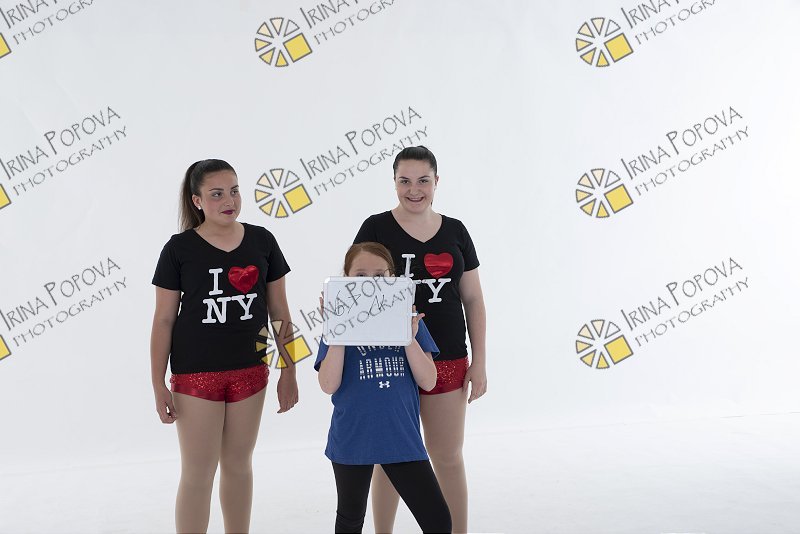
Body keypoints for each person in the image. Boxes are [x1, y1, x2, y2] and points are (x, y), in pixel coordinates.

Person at [150, 159, 299, 533]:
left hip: (251, 370)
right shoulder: (179, 249)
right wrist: (157, 383)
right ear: (197, 200)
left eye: (234, 191)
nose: (229, 201)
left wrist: (289, 370)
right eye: (216, 194)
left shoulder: (263, 241)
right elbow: (163, 320)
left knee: (239, 465)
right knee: (198, 472)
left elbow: (280, 312)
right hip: (196, 375)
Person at [353, 146, 487, 533]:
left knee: (447, 456)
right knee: (390, 458)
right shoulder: (375, 228)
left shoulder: (456, 231)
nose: (414, 190)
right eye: (405, 181)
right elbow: (355, 288)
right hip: (392, 359)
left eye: (423, 180)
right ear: (394, 183)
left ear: (436, 181)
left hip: (448, 357)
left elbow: (473, 299)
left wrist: (479, 361)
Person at [315, 242, 452, 534]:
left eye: (380, 275)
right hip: (352, 437)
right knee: (350, 518)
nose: (371, 283)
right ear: (346, 279)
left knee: (438, 520)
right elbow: (328, 385)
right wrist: (337, 328)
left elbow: (428, 380)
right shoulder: (336, 328)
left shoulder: (410, 321)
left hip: (400, 436)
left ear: (392, 277)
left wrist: (408, 336)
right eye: (360, 276)